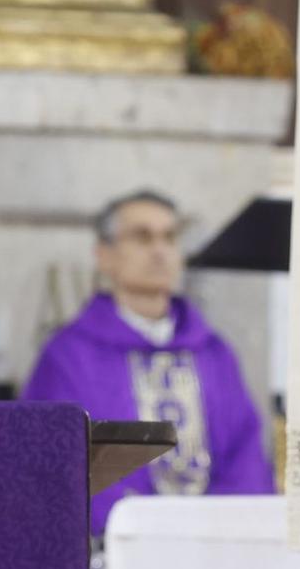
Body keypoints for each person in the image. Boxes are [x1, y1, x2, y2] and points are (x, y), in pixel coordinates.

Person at [24, 189, 273, 536]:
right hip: (112, 555)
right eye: (142, 237)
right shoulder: (68, 356)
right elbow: (52, 464)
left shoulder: (213, 353)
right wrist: (139, 529)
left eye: (169, 237)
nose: (159, 250)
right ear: (104, 255)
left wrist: (216, 527)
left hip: (213, 554)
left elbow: (245, 456)